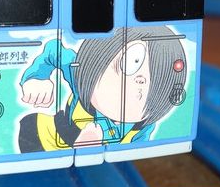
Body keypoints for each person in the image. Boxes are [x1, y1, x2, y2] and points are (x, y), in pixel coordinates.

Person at [17, 26, 186, 153]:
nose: (137, 83)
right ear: (97, 57)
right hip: (45, 139)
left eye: (155, 81)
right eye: (131, 64)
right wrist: (37, 77)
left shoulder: (143, 127)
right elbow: (54, 50)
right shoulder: (79, 72)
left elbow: (136, 150)